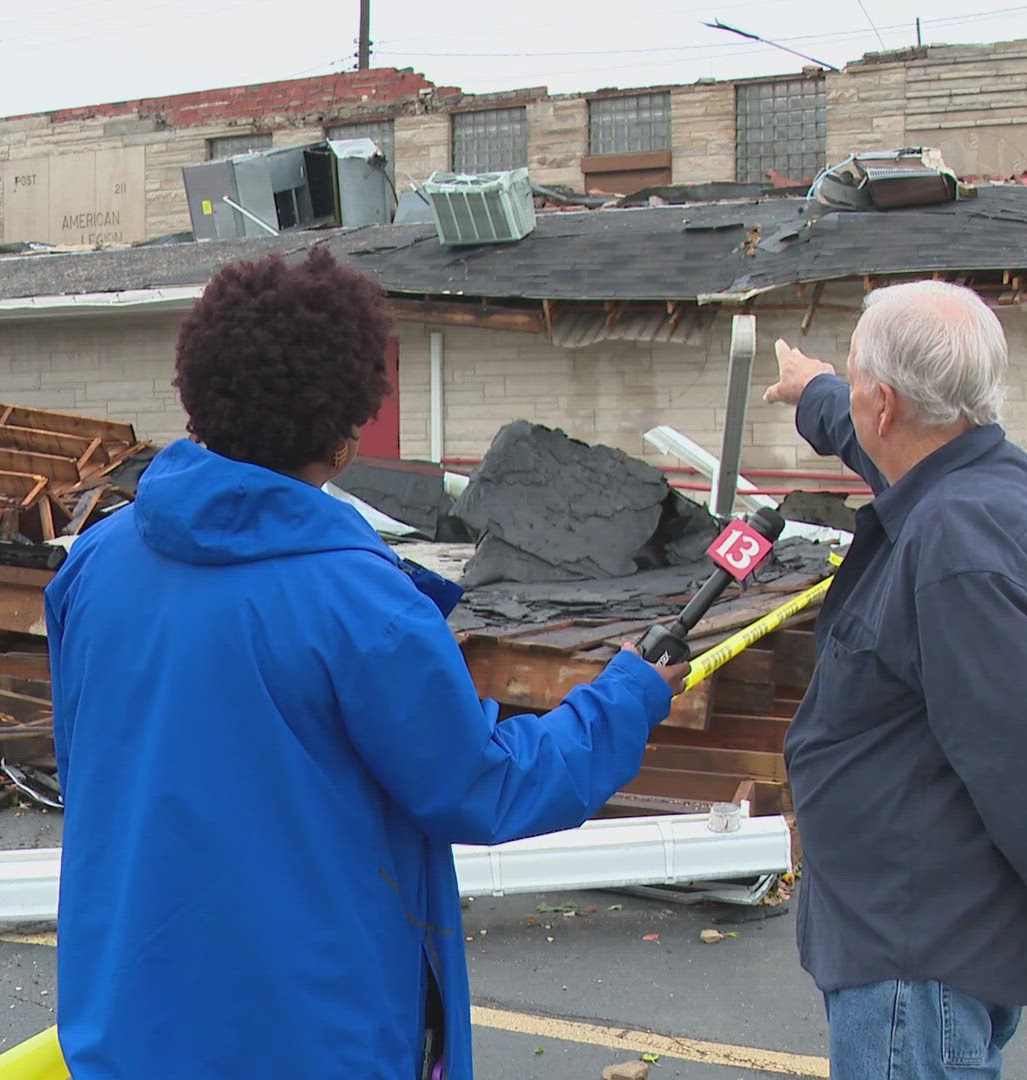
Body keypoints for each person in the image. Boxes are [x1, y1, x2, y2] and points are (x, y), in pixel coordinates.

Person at [45, 248, 685, 1079]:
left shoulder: (94, 564)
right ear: (345, 438)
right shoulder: (361, 605)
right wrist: (626, 700)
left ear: (197, 394)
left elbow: (87, 769)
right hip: (311, 1039)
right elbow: (481, 787)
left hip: (126, 1029)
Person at [762, 281, 1027, 1080]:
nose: (851, 402)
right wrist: (812, 388)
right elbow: (865, 435)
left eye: (853, 384)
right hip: (927, 932)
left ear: (886, 404)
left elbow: (1021, 748)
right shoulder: (977, 476)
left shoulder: (959, 542)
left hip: (916, 954)